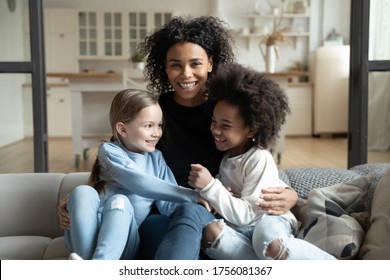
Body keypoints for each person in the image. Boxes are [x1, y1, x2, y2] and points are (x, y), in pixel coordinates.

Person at [59, 16, 298, 259]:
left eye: (195, 63)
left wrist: (291, 195)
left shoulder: (224, 114)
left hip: (211, 212)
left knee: (194, 222)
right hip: (158, 215)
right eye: (175, 65)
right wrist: (83, 199)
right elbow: (119, 160)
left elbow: (253, 161)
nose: (186, 74)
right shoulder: (153, 115)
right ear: (164, 67)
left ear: (211, 64)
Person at [188, 63, 336, 260]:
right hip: (240, 229)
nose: (215, 129)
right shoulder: (226, 157)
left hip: (269, 220)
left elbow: (248, 214)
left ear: (250, 130)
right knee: (210, 234)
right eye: (214, 121)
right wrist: (213, 194)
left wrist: (210, 186)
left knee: (266, 240)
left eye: (225, 125)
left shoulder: (259, 158)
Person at [65, 89, 212, 260]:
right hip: (87, 235)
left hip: (125, 242)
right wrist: (191, 195)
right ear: (122, 129)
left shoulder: (156, 158)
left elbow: (169, 206)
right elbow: (140, 182)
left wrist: (213, 197)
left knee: (120, 201)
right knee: (82, 191)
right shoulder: (110, 151)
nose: (157, 133)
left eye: (159, 125)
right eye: (148, 126)